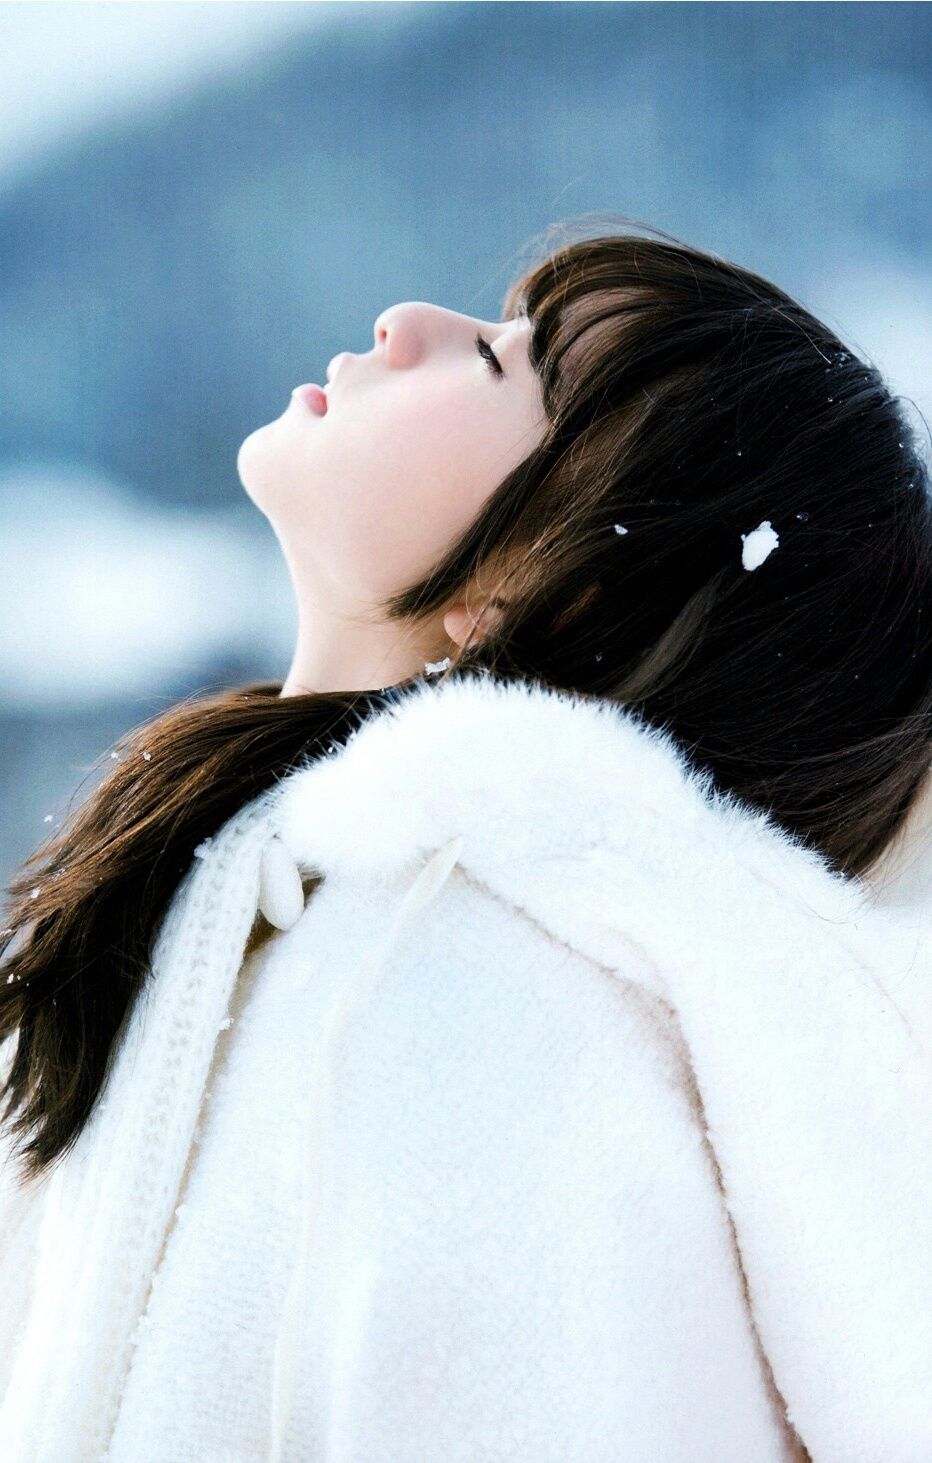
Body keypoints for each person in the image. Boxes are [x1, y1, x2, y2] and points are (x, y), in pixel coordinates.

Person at [0, 220, 930, 1463]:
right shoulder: (236, 893)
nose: (407, 323)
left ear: (563, 588)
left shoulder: (481, 1017)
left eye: (500, 364)